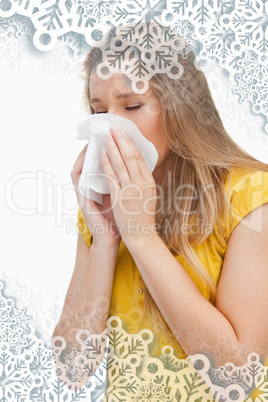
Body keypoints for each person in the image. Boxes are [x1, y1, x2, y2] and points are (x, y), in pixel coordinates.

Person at [52, 21, 268, 397]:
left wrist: (141, 236)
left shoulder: (250, 195)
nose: (111, 126)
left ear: (181, 106)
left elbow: (237, 375)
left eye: (132, 105)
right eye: (98, 110)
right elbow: (73, 366)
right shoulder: (105, 204)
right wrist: (105, 239)